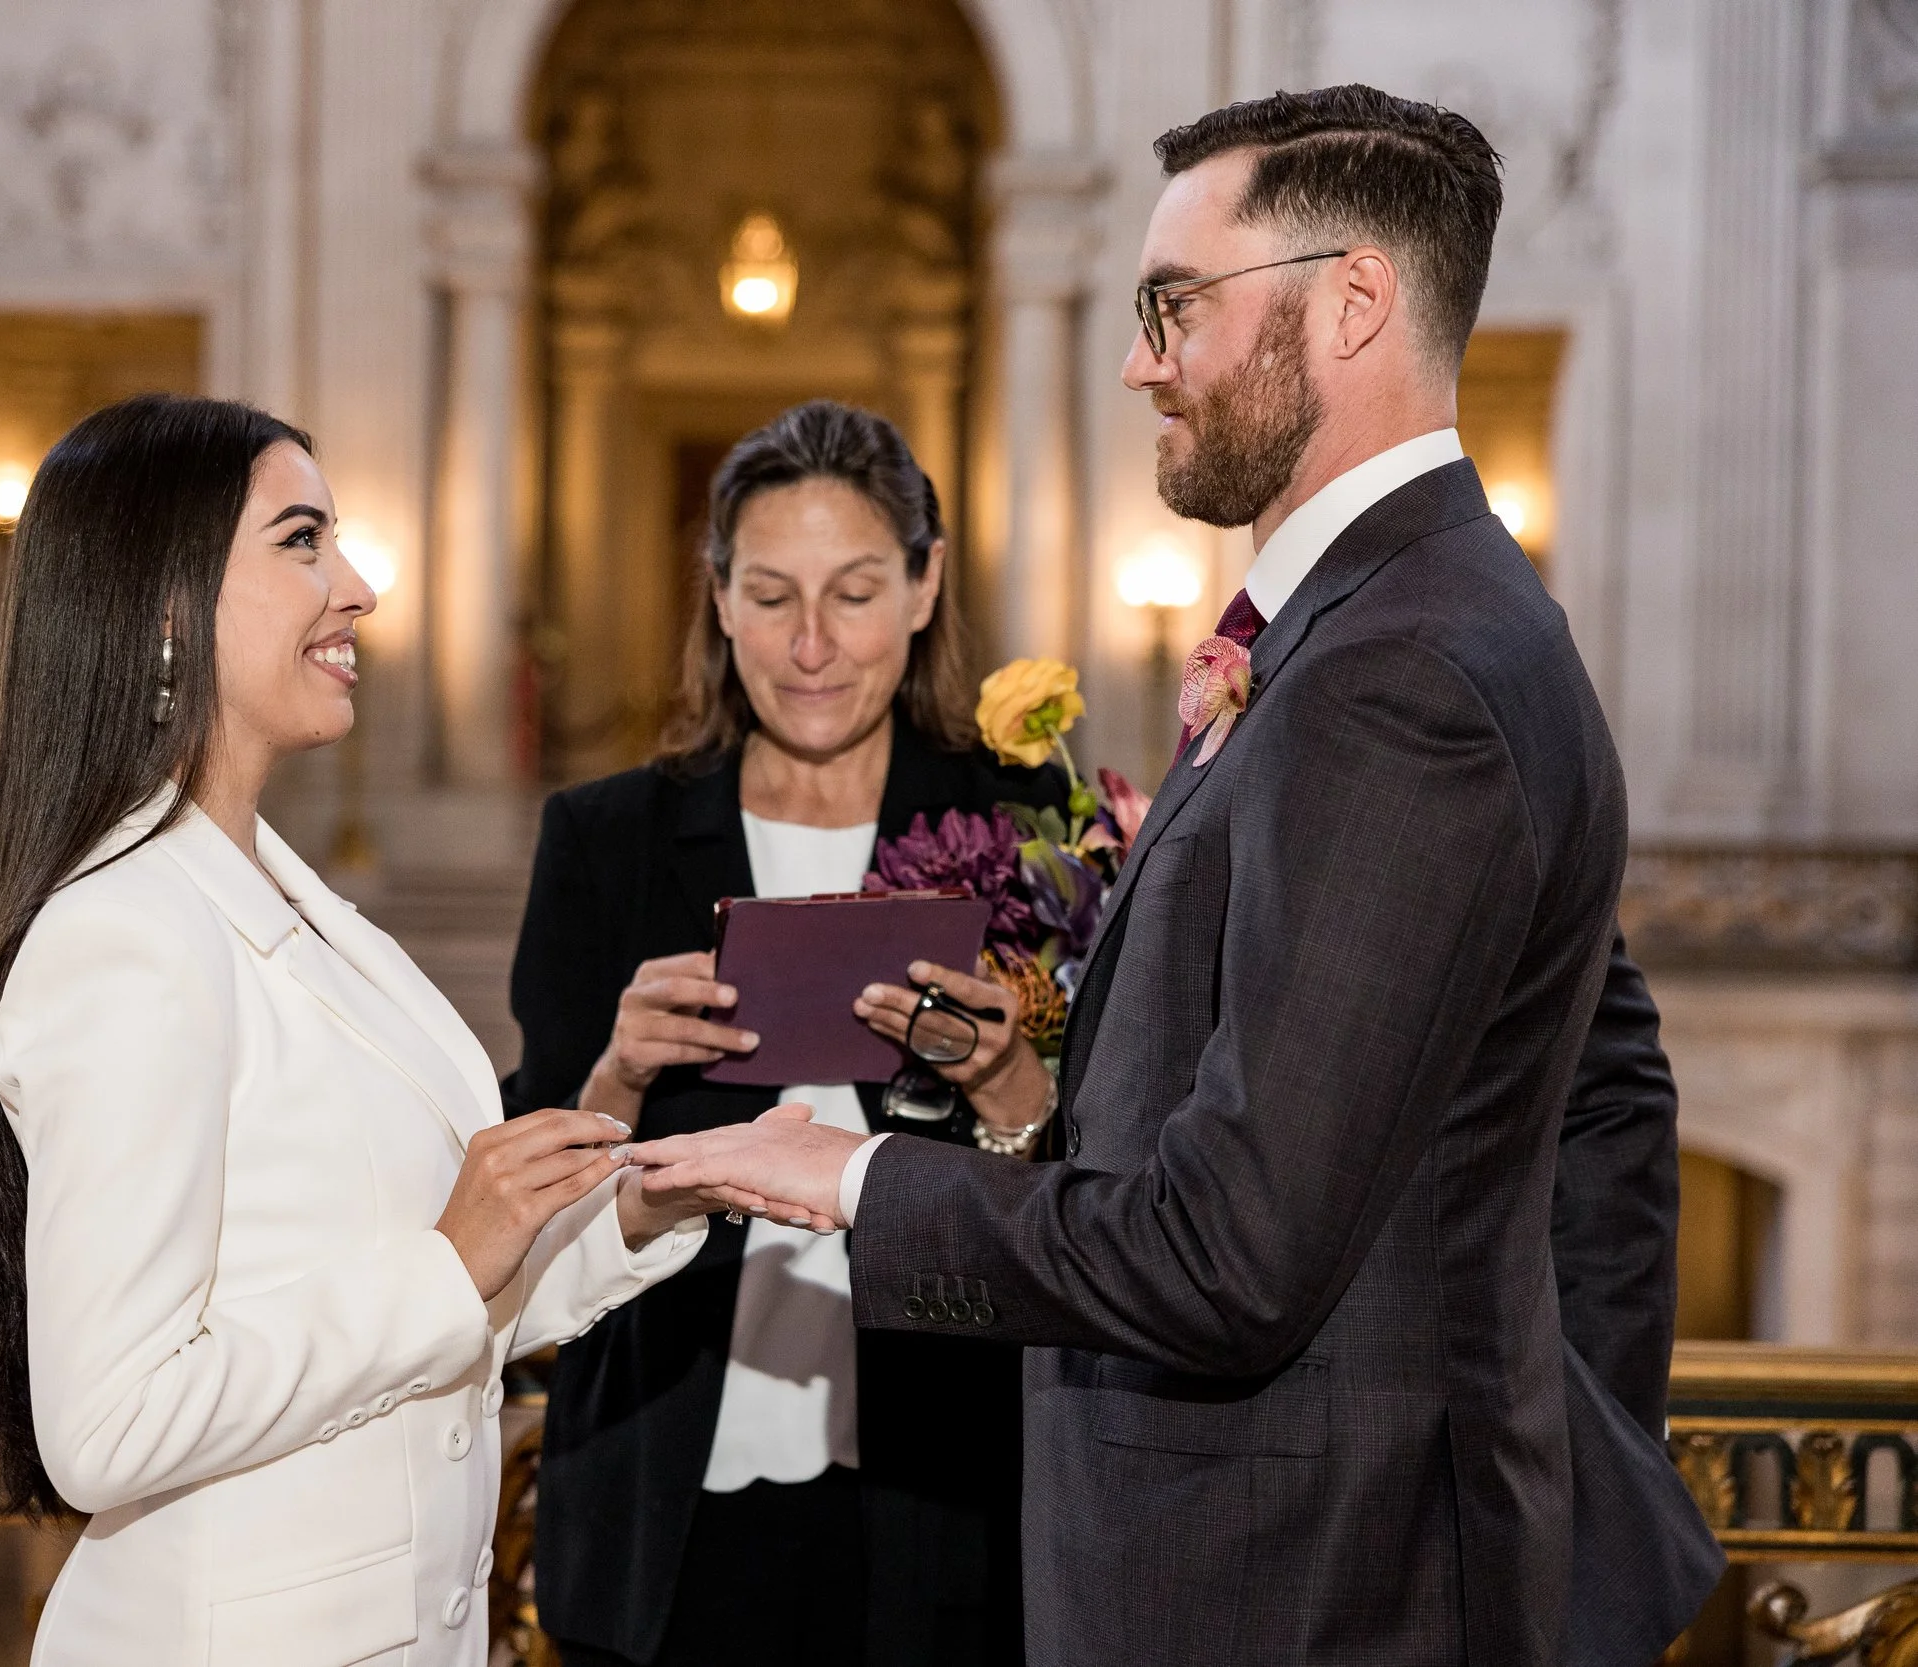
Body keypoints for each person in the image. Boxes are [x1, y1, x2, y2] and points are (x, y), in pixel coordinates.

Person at [625, 88, 1722, 1667]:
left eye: (1175, 304)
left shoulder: (1399, 671)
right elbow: (1605, 1085)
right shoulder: (1411, 620)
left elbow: (1230, 1257)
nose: (1143, 362)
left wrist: (849, 1179)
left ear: (1351, 301)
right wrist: (1538, 1439)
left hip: (1303, 1593)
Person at [0, 393, 714, 1667]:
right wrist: (448, 1263)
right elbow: (109, 1425)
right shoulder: (126, 931)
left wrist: (652, 1200)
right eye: (302, 540)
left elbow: (441, 1295)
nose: (357, 587)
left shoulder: (284, 896)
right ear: (169, 604)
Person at [504, 400, 1054, 1667]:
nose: (811, 644)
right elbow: (525, 1210)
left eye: (852, 593)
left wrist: (1013, 1086)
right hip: (664, 1498)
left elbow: (1105, 1193)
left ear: (923, 587)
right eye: (769, 595)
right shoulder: (607, 839)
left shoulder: (1027, 825)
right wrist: (617, 1072)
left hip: (950, 1499)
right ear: (717, 597)